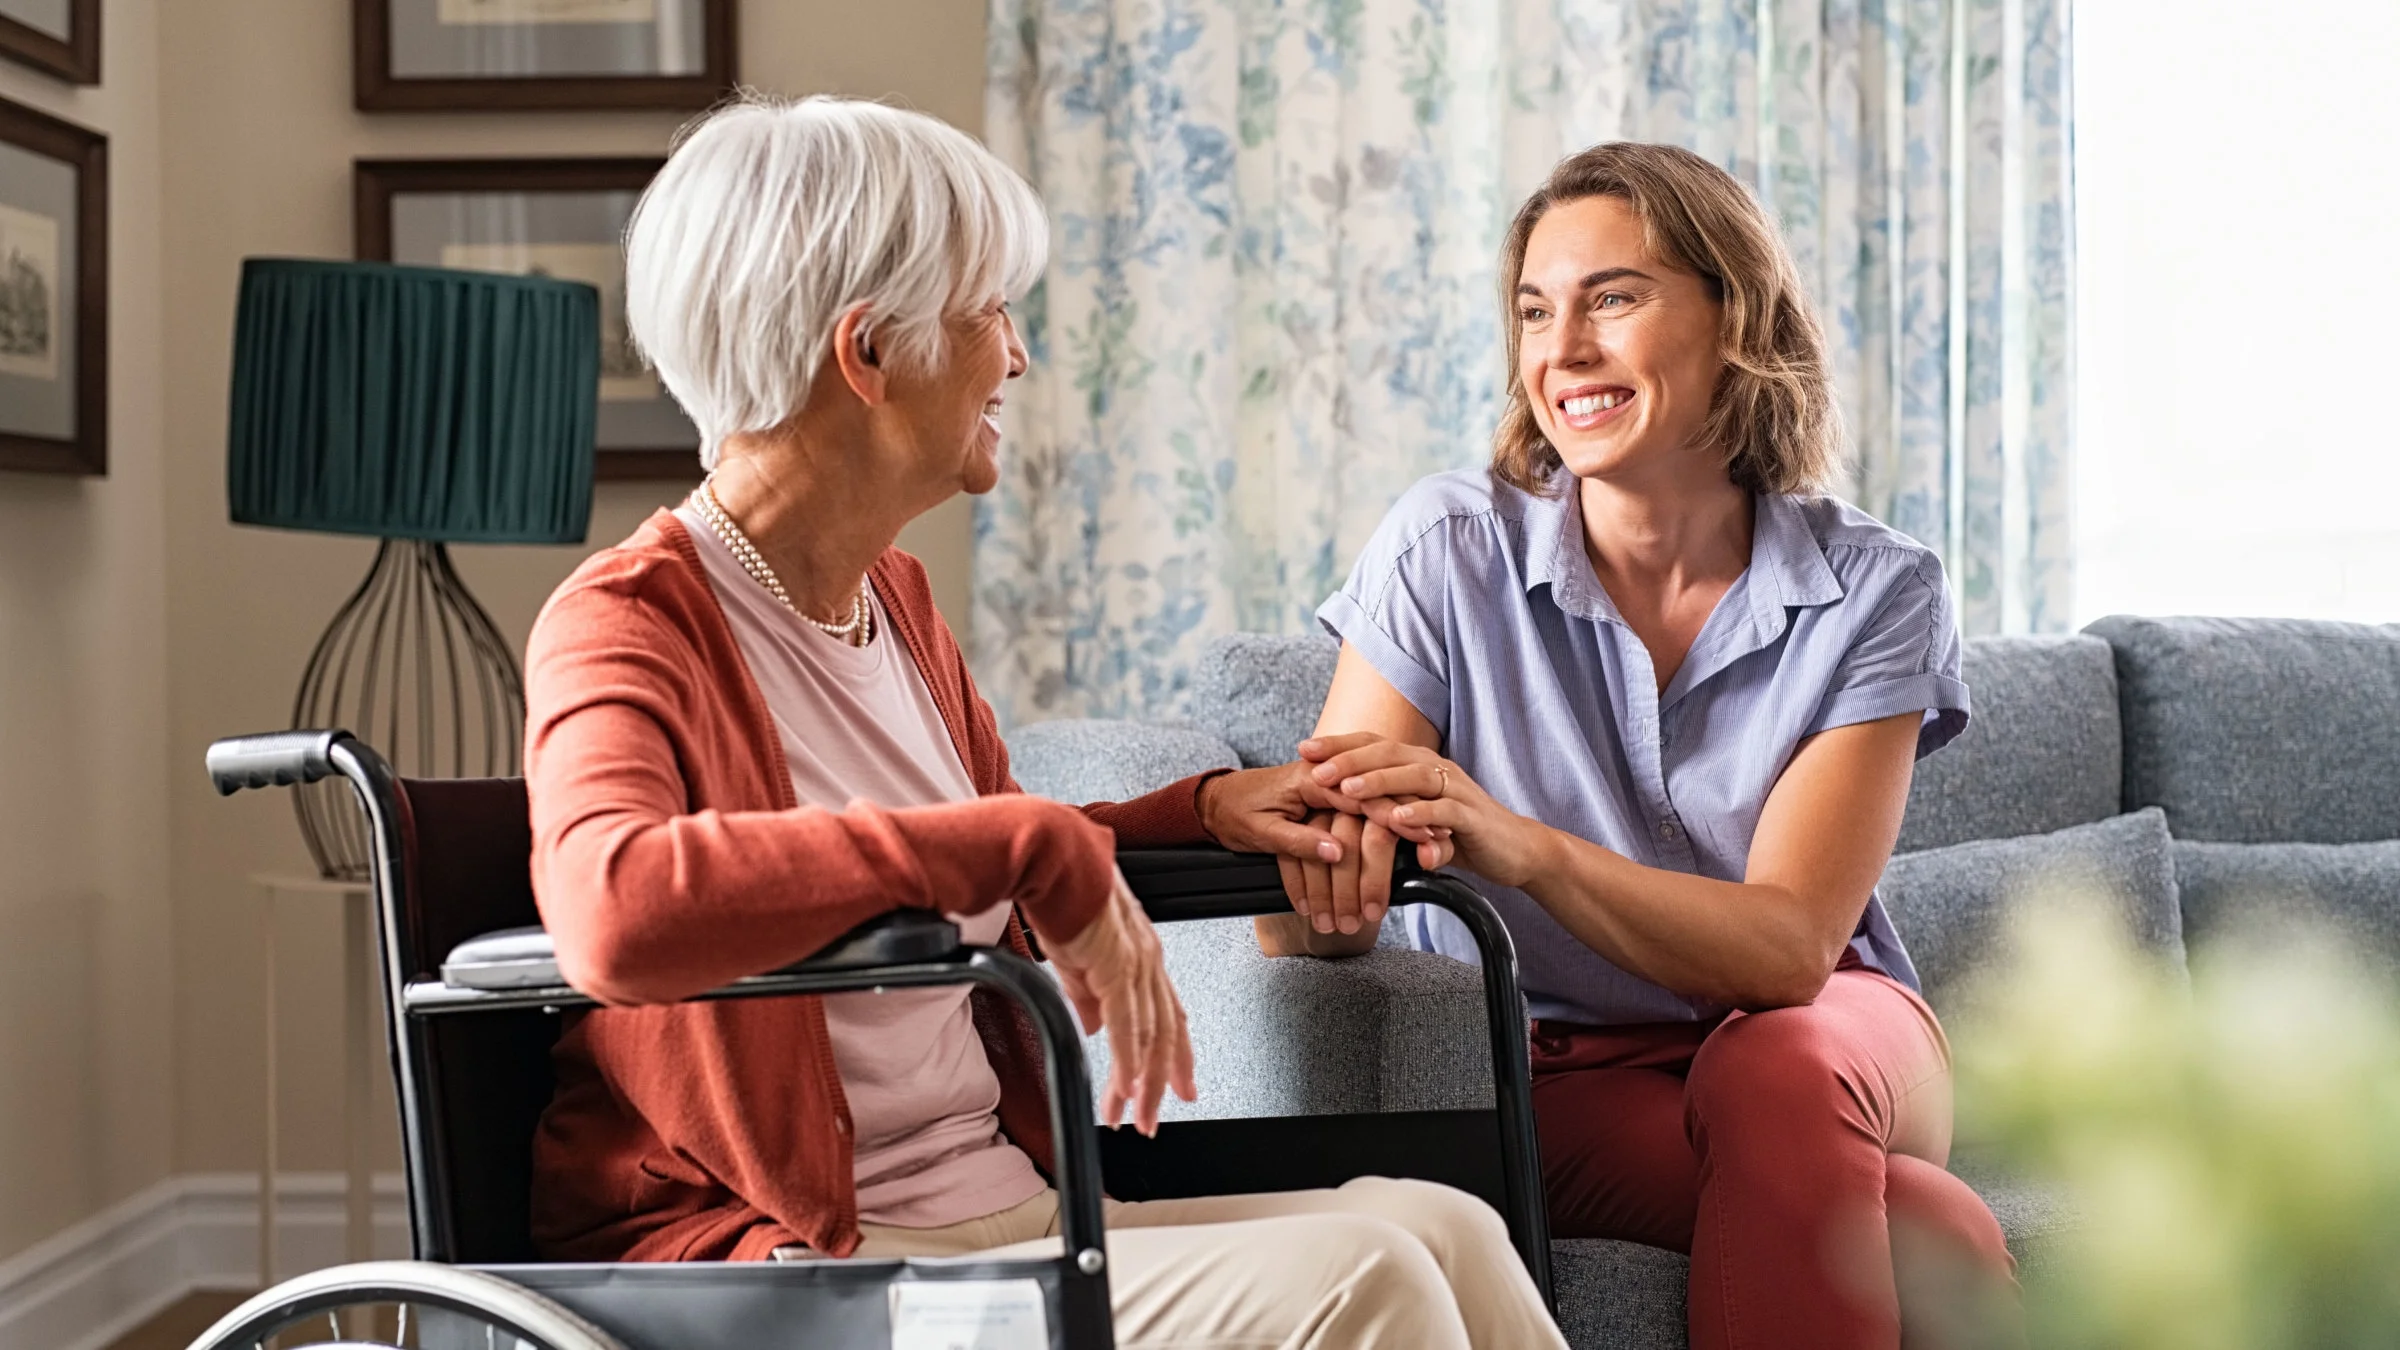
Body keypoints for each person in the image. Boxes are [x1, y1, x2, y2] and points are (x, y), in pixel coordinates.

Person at [520, 93, 1565, 1350]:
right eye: (988, 314)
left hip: (996, 1217)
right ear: (868, 355)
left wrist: (1191, 814)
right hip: (798, 1267)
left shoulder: (889, 602)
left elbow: (968, 846)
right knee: (1367, 1278)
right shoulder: (630, 620)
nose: (1015, 356)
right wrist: (1025, 844)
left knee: (1439, 1223)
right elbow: (613, 909)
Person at [1258, 142, 2023, 1349]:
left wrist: (1526, 851)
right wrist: (1323, 882)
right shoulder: (1443, 554)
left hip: (1834, 1030)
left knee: (1779, 1064)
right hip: (1563, 1069)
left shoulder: (1876, 589)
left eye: (1611, 298)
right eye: (1534, 311)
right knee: (1936, 1237)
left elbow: (1784, 951)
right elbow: (1301, 906)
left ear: (1737, 318)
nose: (1562, 351)